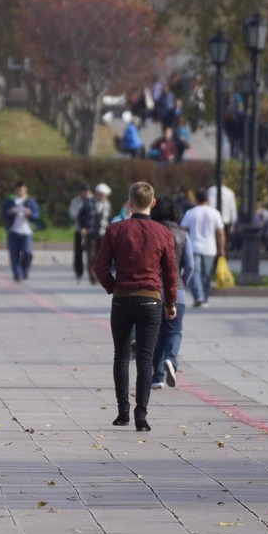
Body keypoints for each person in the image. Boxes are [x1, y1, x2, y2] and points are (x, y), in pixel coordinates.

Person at [93, 182, 178, 432]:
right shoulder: (164, 233)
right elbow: (171, 272)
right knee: (145, 358)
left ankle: (122, 413)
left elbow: (99, 266)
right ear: (152, 203)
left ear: (129, 202)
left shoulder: (115, 230)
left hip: (122, 299)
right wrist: (170, 302)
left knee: (121, 355)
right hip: (151, 300)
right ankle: (141, 416)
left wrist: (113, 286)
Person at [150, 196, 194, 391]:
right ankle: (171, 359)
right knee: (174, 331)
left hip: (153, 291)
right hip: (178, 291)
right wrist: (184, 281)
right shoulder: (183, 235)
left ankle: (157, 376)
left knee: (156, 334)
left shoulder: (151, 233)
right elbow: (190, 265)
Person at [180, 189, 225, 308]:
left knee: (195, 273)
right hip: (210, 248)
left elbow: (183, 229)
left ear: (196, 200)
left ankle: (199, 297)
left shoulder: (190, 213)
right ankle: (204, 297)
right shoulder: (215, 213)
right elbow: (220, 233)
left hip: (194, 247)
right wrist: (222, 249)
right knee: (206, 274)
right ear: (207, 200)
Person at [0, 181, 41, 282]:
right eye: (18, 190)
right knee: (14, 254)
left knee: (27, 252)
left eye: (22, 190)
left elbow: (37, 214)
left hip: (26, 232)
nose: (20, 192)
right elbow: (2, 213)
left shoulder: (30, 201)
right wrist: (9, 212)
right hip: (13, 231)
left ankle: (25, 270)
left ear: (25, 190)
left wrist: (29, 213)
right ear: (16, 190)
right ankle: (17, 275)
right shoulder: (10, 201)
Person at [78, 183, 112, 285]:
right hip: (91, 233)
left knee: (101, 256)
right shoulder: (89, 203)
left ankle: (99, 275)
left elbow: (109, 218)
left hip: (103, 234)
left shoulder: (107, 205)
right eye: (100, 194)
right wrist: (83, 227)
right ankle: (92, 277)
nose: (102, 197)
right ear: (96, 193)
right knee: (91, 256)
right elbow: (81, 216)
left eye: (104, 195)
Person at [69, 184, 92, 283]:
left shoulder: (93, 201)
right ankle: (79, 271)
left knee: (93, 252)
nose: (86, 193)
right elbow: (72, 214)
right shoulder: (76, 202)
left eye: (87, 191)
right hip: (79, 230)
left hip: (91, 230)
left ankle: (93, 272)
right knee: (78, 252)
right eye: (84, 191)